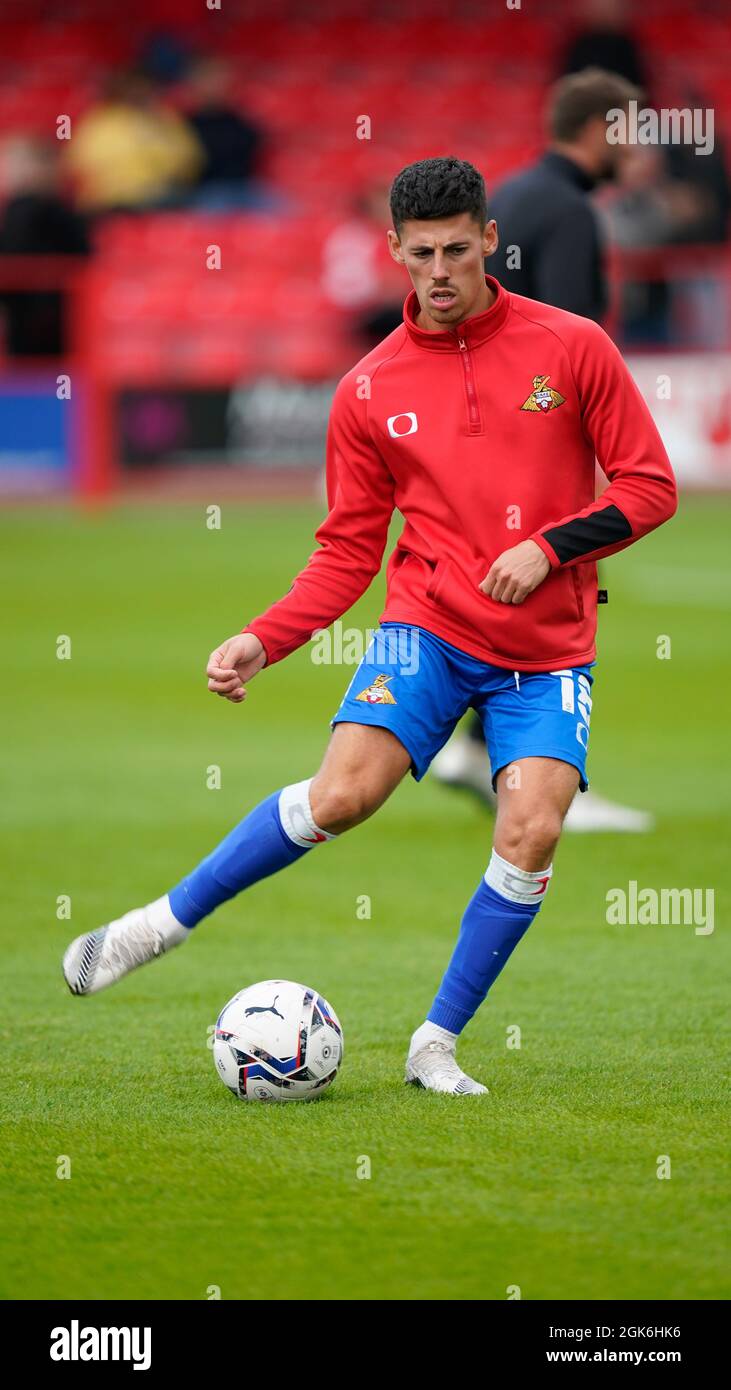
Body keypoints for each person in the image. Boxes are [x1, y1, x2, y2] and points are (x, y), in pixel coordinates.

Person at [62, 158, 677, 1095]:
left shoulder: (574, 346)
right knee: (341, 797)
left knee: (533, 829)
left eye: (457, 251)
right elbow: (347, 551)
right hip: (424, 628)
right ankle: (156, 925)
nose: (439, 270)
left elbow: (649, 487)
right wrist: (262, 638)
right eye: (420, 253)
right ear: (394, 249)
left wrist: (547, 549)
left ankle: (435, 1041)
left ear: (488, 243)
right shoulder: (364, 390)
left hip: (548, 650)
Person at [433, 69, 655, 832]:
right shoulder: (568, 210)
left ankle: (473, 749)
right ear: (600, 129)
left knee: (504, 586)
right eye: (631, 133)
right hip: (537, 435)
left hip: (482, 431)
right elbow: (564, 334)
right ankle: (538, 775)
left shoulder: (517, 196)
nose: (638, 152)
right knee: (553, 588)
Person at [0, 136, 89, 357]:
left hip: (58, 318)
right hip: (25, 319)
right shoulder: (17, 211)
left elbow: (85, 256)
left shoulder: (59, 212)